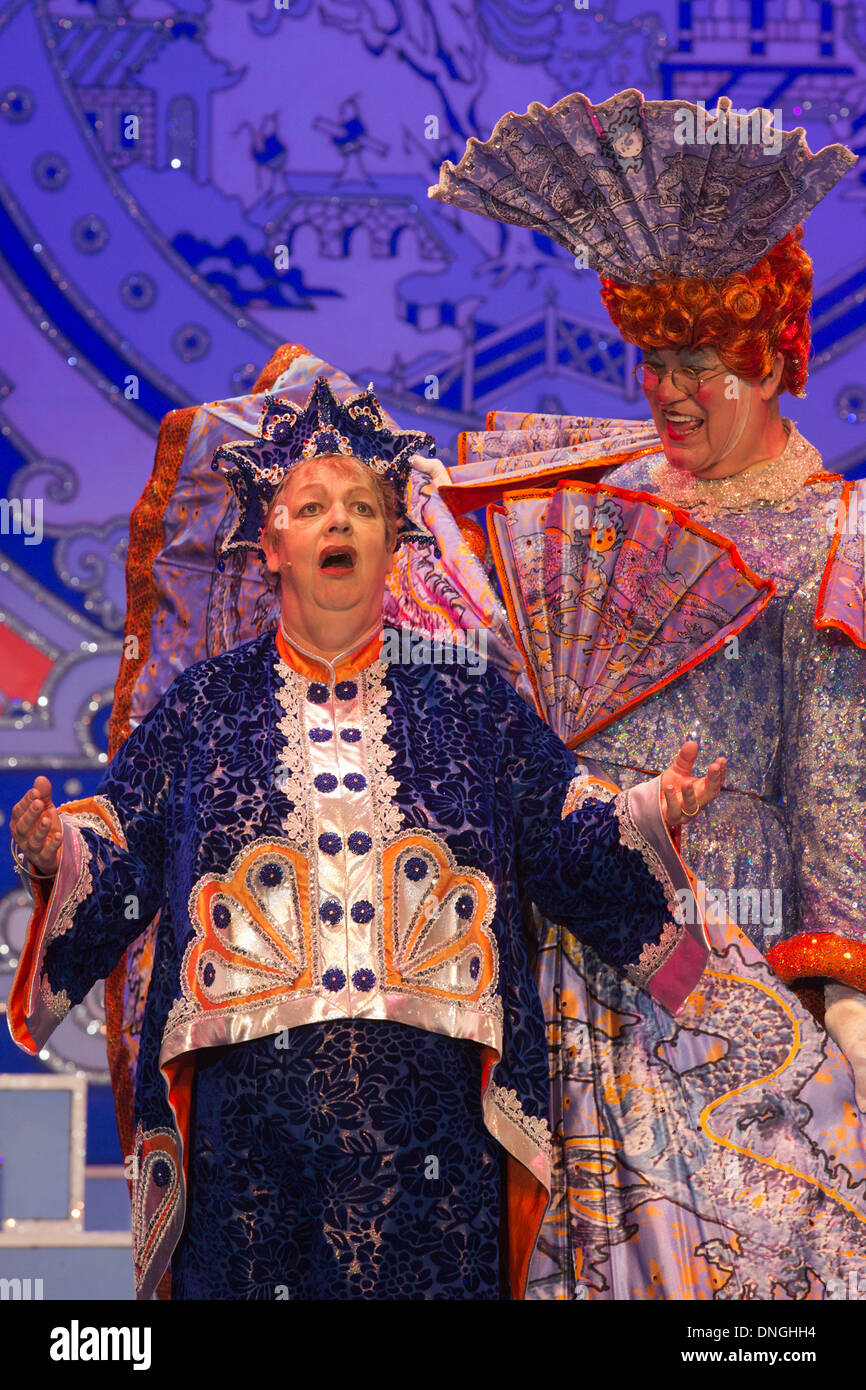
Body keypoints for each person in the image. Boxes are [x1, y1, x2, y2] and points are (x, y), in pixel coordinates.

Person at [9, 376, 725, 1300]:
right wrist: (50, 851)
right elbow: (115, 857)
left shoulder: (468, 701)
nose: (337, 523)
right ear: (271, 544)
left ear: (396, 542)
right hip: (247, 1137)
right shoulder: (201, 711)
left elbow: (564, 832)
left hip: (433, 1130)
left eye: (362, 508)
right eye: (310, 508)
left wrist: (653, 810)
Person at [428, 89, 866, 1298]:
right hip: (552, 931)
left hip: (723, 949)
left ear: (772, 357)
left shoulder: (838, 533)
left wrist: (841, 1021)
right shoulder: (586, 495)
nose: (668, 394)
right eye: (653, 363)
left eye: (700, 369)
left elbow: (835, 798)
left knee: (730, 1263)